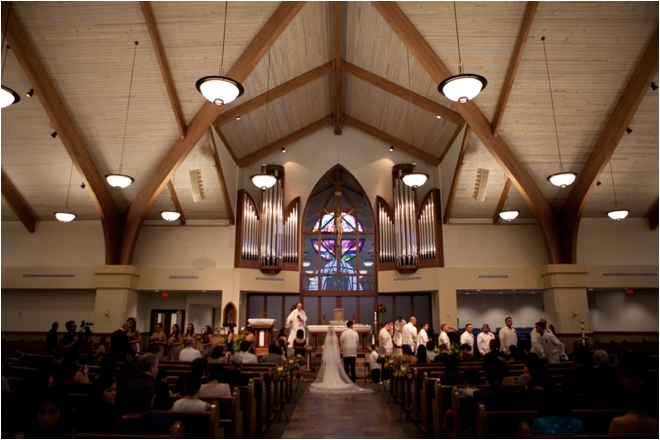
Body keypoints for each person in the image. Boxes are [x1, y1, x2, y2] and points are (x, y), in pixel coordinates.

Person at [309, 327, 373, 394]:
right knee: (335, 367)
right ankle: (340, 380)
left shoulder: (326, 338)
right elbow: (337, 347)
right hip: (334, 354)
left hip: (329, 354)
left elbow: (325, 347)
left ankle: (327, 380)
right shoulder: (336, 338)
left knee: (329, 367)